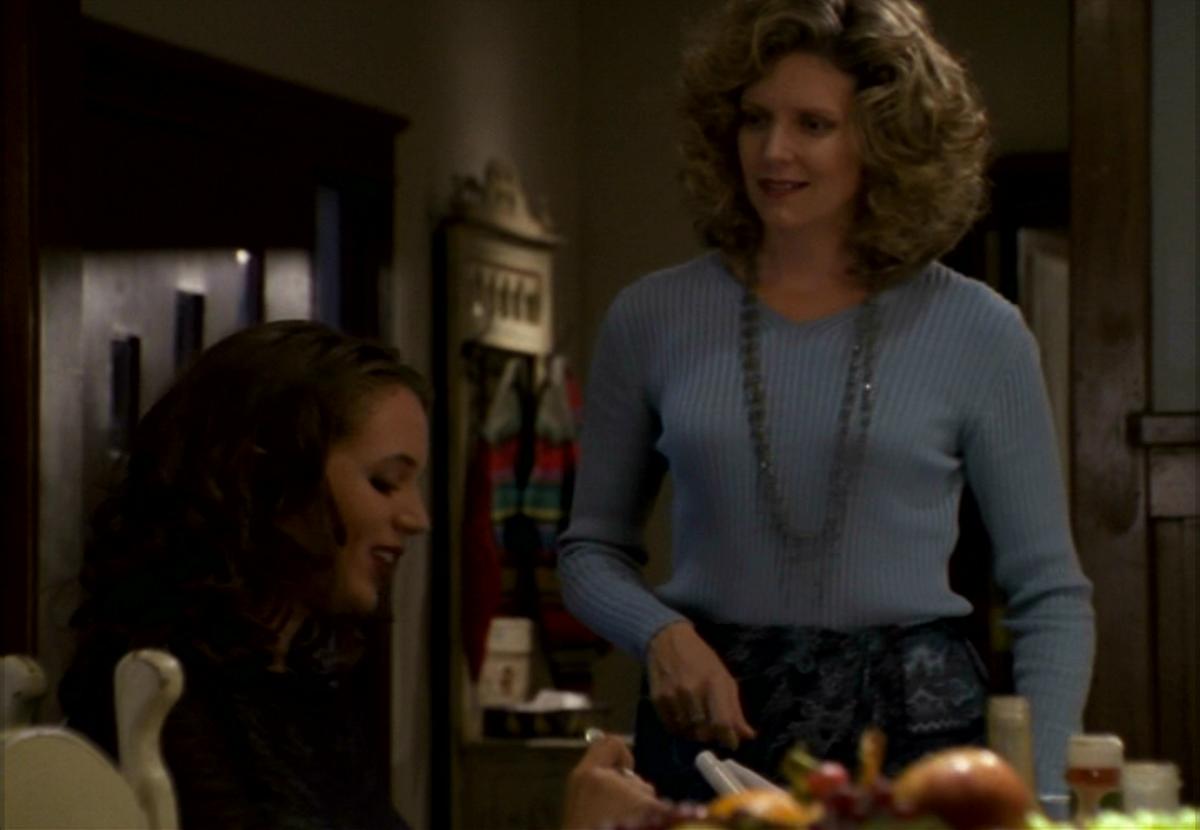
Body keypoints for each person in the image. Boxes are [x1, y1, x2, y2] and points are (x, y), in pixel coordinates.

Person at [558, 0, 1094, 806]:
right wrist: (661, 634)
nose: (774, 151)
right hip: (714, 728)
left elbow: (1051, 596)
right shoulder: (652, 318)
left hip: (912, 734)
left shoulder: (979, 331)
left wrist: (1042, 803)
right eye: (755, 119)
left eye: (813, 124)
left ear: (882, 140)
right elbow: (589, 549)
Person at [59, 320, 665, 830]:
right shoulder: (165, 690)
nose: (417, 517)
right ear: (268, 481)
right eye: (384, 482)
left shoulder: (298, 675)